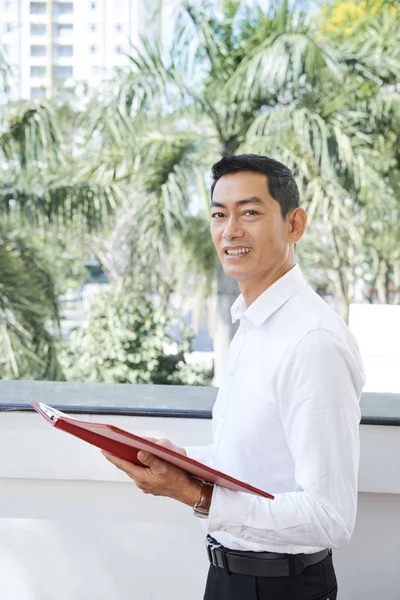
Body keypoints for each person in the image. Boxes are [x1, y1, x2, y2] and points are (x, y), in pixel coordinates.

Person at [102, 154, 366, 600]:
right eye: (219, 215)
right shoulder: (253, 320)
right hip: (230, 576)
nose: (230, 230)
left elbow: (330, 517)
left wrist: (193, 494)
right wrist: (182, 458)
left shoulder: (312, 340)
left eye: (250, 212)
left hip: (284, 587)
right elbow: (257, 457)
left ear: (294, 225)